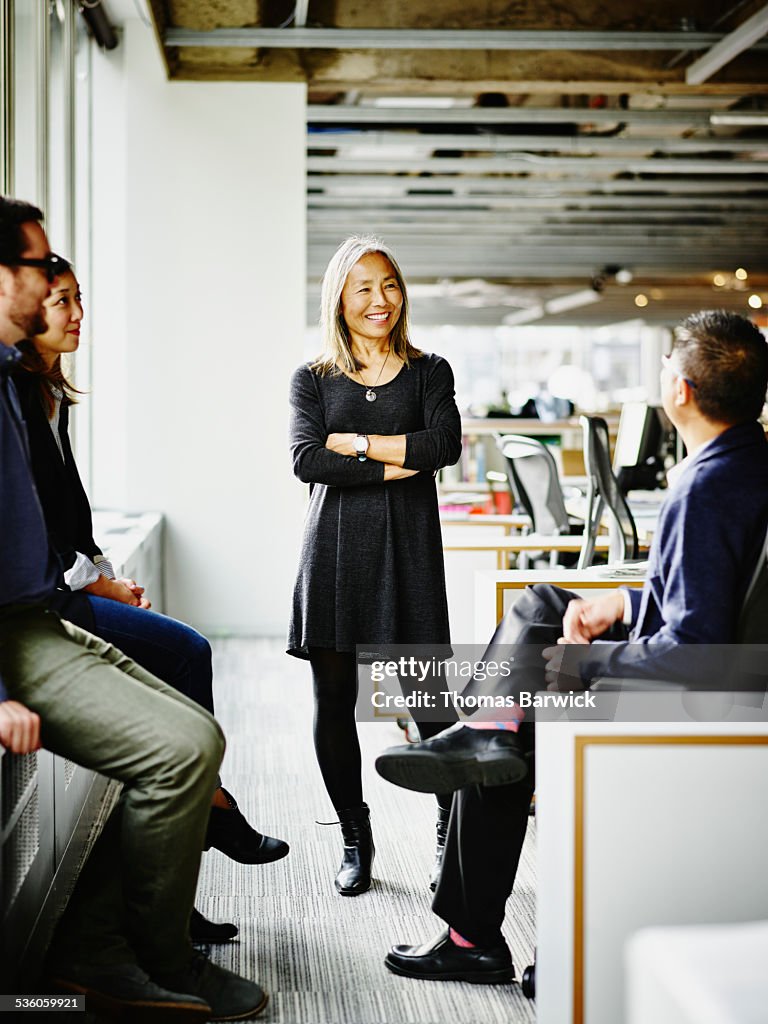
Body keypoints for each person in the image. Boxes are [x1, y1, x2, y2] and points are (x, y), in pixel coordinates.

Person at [375, 309, 768, 981]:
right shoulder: (748, 463)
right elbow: (718, 598)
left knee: (525, 683)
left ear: (682, 392)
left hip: (709, 688)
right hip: (727, 660)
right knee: (538, 606)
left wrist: (584, 660)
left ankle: (475, 931)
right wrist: (626, 600)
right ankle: (486, 729)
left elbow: (697, 646)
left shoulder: (701, 488)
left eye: (668, 369)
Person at [0, 195, 267, 1019]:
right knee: (184, 747)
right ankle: (154, 957)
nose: (55, 287)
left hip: (37, 618)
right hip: (16, 641)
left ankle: (115, 937)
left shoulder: (14, 381)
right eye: (44, 269)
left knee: (196, 732)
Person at [287, 235, 462, 895]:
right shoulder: (313, 378)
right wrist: (400, 461)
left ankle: (452, 828)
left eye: (388, 284)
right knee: (334, 700)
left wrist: (358, 445)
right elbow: (308, 460)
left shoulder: (429, 371)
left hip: (409, 552)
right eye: (362, 287)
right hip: (332, 551)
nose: (379, 299)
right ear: (339, 297)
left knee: (428, 704)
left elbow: (443, 445)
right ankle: (355, 839)